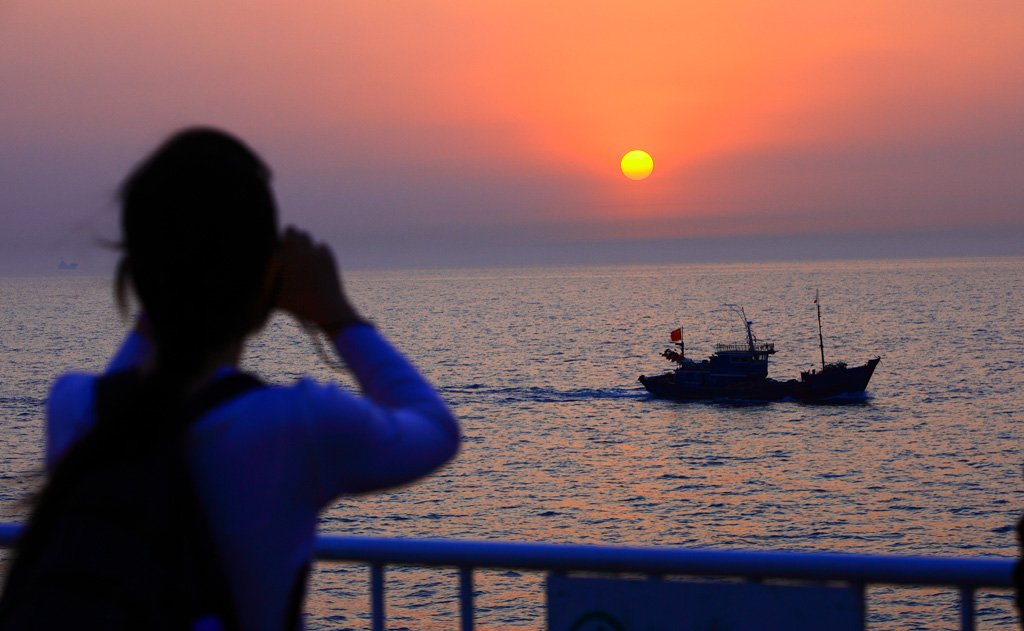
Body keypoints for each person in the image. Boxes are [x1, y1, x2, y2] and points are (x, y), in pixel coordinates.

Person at [40, 128, 460, 630]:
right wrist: (335, 313)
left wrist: (163, 288)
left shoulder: (72, 407)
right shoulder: (293, 425)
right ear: (267, 277)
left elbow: (129, 395)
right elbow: (435, 429)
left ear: (134, 275)